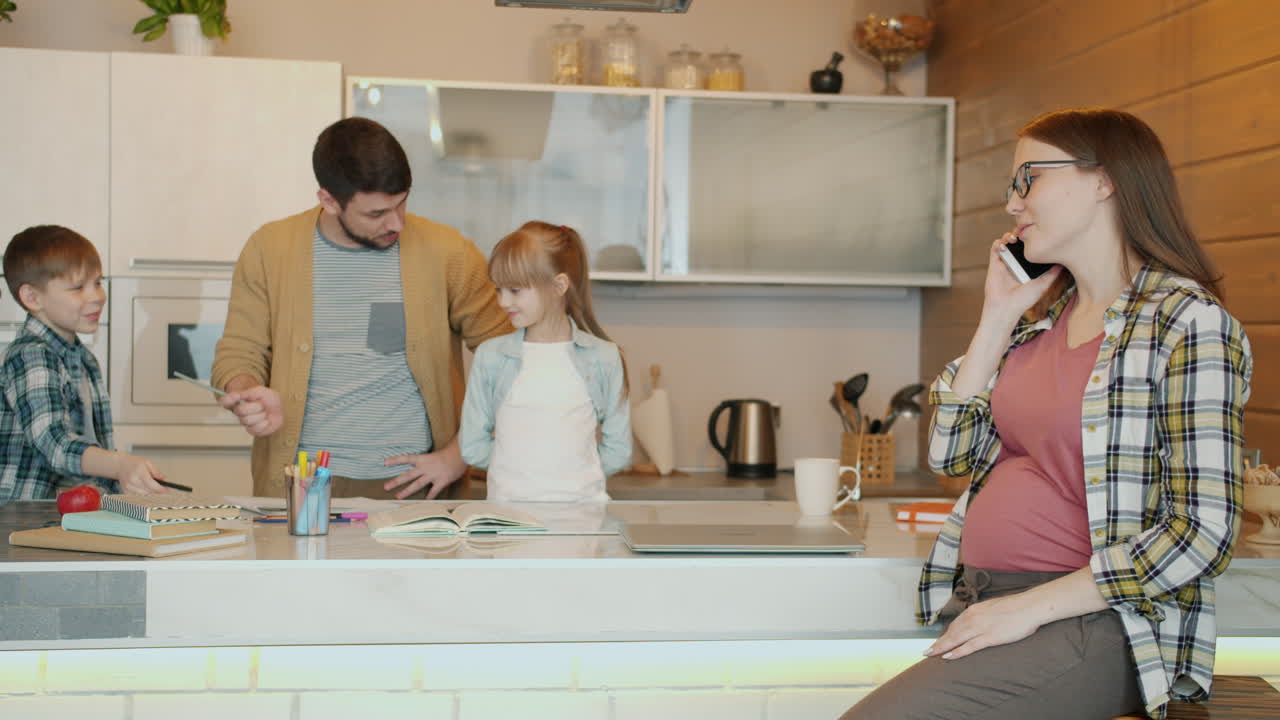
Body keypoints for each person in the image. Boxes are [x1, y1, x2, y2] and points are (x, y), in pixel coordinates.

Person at [842, 108, 1253, 720]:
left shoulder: (1187, 323)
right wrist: (998, 315)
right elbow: (948, 456)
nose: (1012, 203)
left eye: (1028, 177)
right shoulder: (1038, 327)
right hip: (991, 604)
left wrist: (1029, 608)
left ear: (1104, 179)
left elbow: (1202, 532)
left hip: (1096, 622)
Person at [211, 118, 511, 500]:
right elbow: (238, 352)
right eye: (376, 214)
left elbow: (512, 361)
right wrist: (246, 391)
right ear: (329, 201)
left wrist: (458, 455)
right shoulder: (270, 249)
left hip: (417, 490)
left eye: (402, 204)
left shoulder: (449, 253)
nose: (397, 223)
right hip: (302, 487)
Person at [460, 222, 631, 503]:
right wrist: (516, 470)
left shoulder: (605, 357)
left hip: (582, 525)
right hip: (509, 524)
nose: (503, 301)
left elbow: (619, 450)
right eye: (498, 289)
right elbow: (471, 445)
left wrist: (577, 475)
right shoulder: (490, 357)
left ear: (559, 285)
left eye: (515, 290)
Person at [1, 225, 168, 501]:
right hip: (22, 516)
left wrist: (123, 480)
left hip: (63, 514)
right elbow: (55, 444)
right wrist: (120, 464)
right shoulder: (32, 354)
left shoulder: (84, 359)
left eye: (98, 282)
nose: (97, 296)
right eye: (78, 287)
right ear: (32, 297)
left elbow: (91, 448)